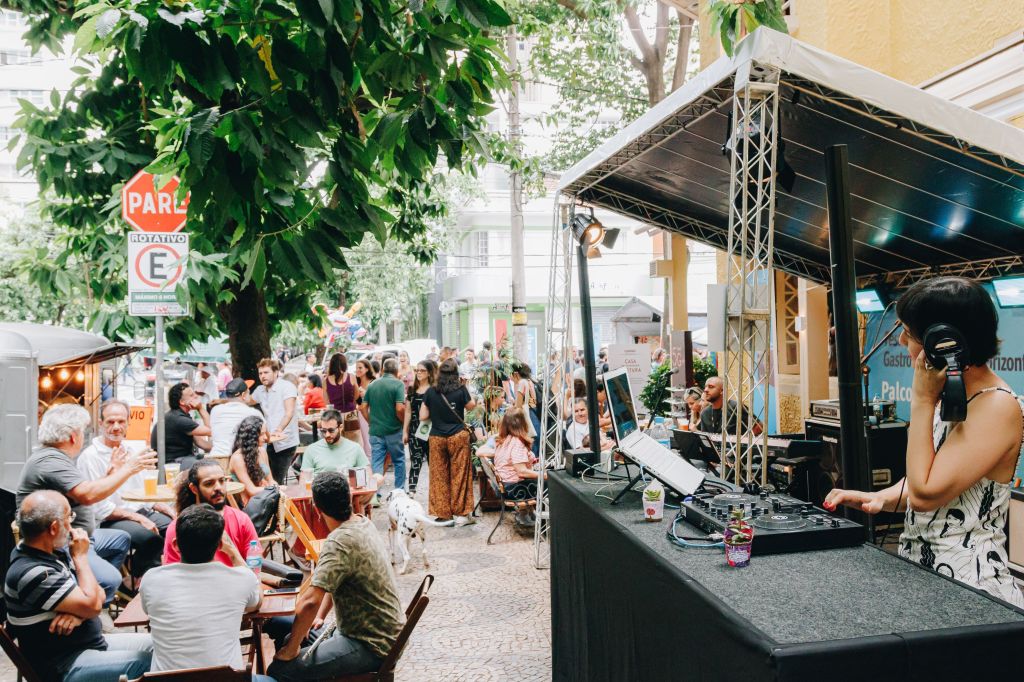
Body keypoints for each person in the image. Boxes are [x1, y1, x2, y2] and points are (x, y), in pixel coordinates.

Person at [825, 277, 1024, 606]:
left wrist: (921, 402)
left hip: (970, 590)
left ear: (945, 341)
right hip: (928, 577)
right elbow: (930, 476)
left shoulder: (997, 406)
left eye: (909, 332)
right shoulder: (954, 394)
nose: (902, 340)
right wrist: (881, 498)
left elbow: (926, 492)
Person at [268, 472, 404, 680]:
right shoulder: (362, 522)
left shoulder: (339, 542)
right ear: (349, 498)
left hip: (371, 645)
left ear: (316, 508)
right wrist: (320, 617)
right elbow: (335, 580)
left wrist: (290, 651)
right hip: (385, 635)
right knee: (287, 632)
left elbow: (309, 603)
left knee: (280, 669)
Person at [6, 491, 153, 681]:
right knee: (148, 663)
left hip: (90, 645)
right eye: (69, 518)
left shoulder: (48, 553)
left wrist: (78, 614)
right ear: (53, 528)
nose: (72, 525)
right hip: (66, 664)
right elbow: (93, 604)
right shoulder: (34, 572)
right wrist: (81, 559)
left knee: (162, 646)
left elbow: (97, 594)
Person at [17, 404, 151, 605]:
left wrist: (111, 474)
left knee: (121, 539)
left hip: (84, 535)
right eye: (82, 432)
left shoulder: (55, 458)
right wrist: (129, 468)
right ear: (73, 436)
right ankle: (86, 604)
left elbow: (83, 489)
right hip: (63, 543)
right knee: (110, 579)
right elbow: (87, 495)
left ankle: (91, 593)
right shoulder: (50, 461)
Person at [140, 504, 265, 674]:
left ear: (175, 545)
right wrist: (234, 553)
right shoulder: (242, 578)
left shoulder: (151, 580)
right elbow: (256, 601)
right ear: (220, 545)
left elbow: (148, 610)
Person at [78, 400, 174, 577]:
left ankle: (165, 576)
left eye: (121, 422)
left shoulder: (132, 449)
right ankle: (140, 582)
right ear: (100, 424)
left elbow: (145, 491)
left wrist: (166, 508)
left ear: (128, 423)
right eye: (110, 422)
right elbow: (99, 508)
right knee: (150, 539)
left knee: (175, 528)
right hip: (109, 519)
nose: (116, 427)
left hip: (139, 510)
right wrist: (138, 518)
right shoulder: (90, 456)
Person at [163, 460, 260, 567]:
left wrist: (231, 550)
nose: (218, 487)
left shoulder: (241, 519)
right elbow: (173, 573)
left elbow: (255, 566)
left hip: (237, 582)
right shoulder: (180, 527)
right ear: (194, 488)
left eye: (222, 481)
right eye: (209, 483)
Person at [421, 359, 477, 525]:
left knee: (439, 475)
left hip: (437, 437)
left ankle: (443, 514)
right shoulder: (460, 389)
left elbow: (423, 416)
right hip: (457, 436)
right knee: (459, 474)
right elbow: (471, 406)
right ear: (455, 373)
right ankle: (461, 514)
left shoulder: (431, 391)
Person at [252, 358, 301, 485]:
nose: (263, 376)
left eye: (266, 372)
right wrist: (222, 401)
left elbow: (289, 412)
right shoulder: (260, 390)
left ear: (276, 372)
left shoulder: (287, 387)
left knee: (276, 481)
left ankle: (279, 503)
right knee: (267, 479)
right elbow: (245, 401)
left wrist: (279, 429)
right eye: (260, 373)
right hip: (268, 441)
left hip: (285, 442)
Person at [362, 358, 408, 491]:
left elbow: (363, 407)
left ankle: (376, 493)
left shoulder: (372, 384)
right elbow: (400, 408)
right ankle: (399, 490)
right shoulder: (398, 384)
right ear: (396, 370)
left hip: (376, 431)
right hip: (393, 430)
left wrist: (370, 421)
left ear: (383, 369)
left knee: (377, 462)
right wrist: (404, 422)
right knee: (399, 460)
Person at [492, 409, 541, 527]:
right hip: (514, 490)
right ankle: (530, 514)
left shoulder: (503, 440)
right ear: (523, 422)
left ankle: (528, 512)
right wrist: (545, 475)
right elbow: (521, 472)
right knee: (553, 483)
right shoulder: (517, 442)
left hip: (504, 486)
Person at [150, 382, 212, 468]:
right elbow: (211, 431)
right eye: (191, 395)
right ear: (182, 402)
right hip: (173, 463)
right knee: (208, 467)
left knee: (212, 461)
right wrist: (200, 408)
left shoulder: (177, 416)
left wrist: (220, 451)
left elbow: (200, 442)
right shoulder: (179, 419)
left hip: (182, 459)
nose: (196, 397)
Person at [300, 409, 369, 482]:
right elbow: (303, 481)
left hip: (347, 491)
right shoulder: (311, 450)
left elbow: (367, 475)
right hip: (320, 491)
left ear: (341, 427)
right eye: (323, 431)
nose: (327, 435)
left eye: (331, 430)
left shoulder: (355, 448)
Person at [403, 360, 437, 493]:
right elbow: (407, 411)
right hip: (414, 430)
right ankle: (411, 490)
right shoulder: (412, 389)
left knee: (432, 462)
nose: (419, 373)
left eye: (422, 370)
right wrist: (404, 431)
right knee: (415, 460)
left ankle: (435, 490)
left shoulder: (434, 390)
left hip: (431, 430)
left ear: (429, 373)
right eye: (417, 370)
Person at [228, 415, 278, 505]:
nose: (265, 438)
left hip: (265, 497)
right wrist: (275, 488)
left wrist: (274, 486)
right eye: (261, 434)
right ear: (251, 437)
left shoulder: (262, 451)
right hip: (248, 505)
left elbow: (271, 480)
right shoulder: (237, 458)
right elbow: (252, 491)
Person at [209, 378, 265, 456]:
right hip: (240, 459)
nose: (250, 395)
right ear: (243, 395)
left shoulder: (215, 410)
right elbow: (264, 434)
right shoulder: (254, 413)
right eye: (249, 392)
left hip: (216, 456)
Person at [696, 376, 762, 435]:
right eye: (705, 387)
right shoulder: (705, 413)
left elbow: (759, 426)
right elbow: (705, 438)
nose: (705, 390)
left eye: (711, 387)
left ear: (722, 391)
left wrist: (743, 440)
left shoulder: (735, 407)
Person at [324, 353, 361, 445]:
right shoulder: (351, 377)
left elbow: (327, 402)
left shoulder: (325, 381)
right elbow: (357, 396)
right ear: (345, 364)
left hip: (334, 416)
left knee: (337, 445)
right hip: (351, 414)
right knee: (353, 444)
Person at [510, 363, 541, 455]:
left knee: (530, 439)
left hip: (527, 414)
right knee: (535, 437)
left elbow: (518, 405)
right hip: (534, 412)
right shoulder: (529, 381)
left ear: (515, 374)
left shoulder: (522, 382)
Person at [354, 358, 376, 454]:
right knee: (361, 439)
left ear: (367, 369)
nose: (358, 370)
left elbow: (378, 398)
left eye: (360, 368)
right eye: (356, 368)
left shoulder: (374, 382)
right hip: (358, 414)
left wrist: (366, 394)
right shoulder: (355, 382)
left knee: (369, 438)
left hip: (371, 412)